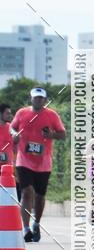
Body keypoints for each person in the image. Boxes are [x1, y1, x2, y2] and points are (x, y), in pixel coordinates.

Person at [11, 87, 66, 241]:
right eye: (36, 98)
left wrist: (51, 135)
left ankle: (37, 223)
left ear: (45, 100)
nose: (38, 100)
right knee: (27, 192)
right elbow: (12, 127)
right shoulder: (22, 113)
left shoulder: (52, 115)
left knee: (40, 196)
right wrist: (14, 134)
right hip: (24, 160)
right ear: (31, 99)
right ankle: (26, 228)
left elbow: (63, 134)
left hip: (44, 162)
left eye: (41, 98)